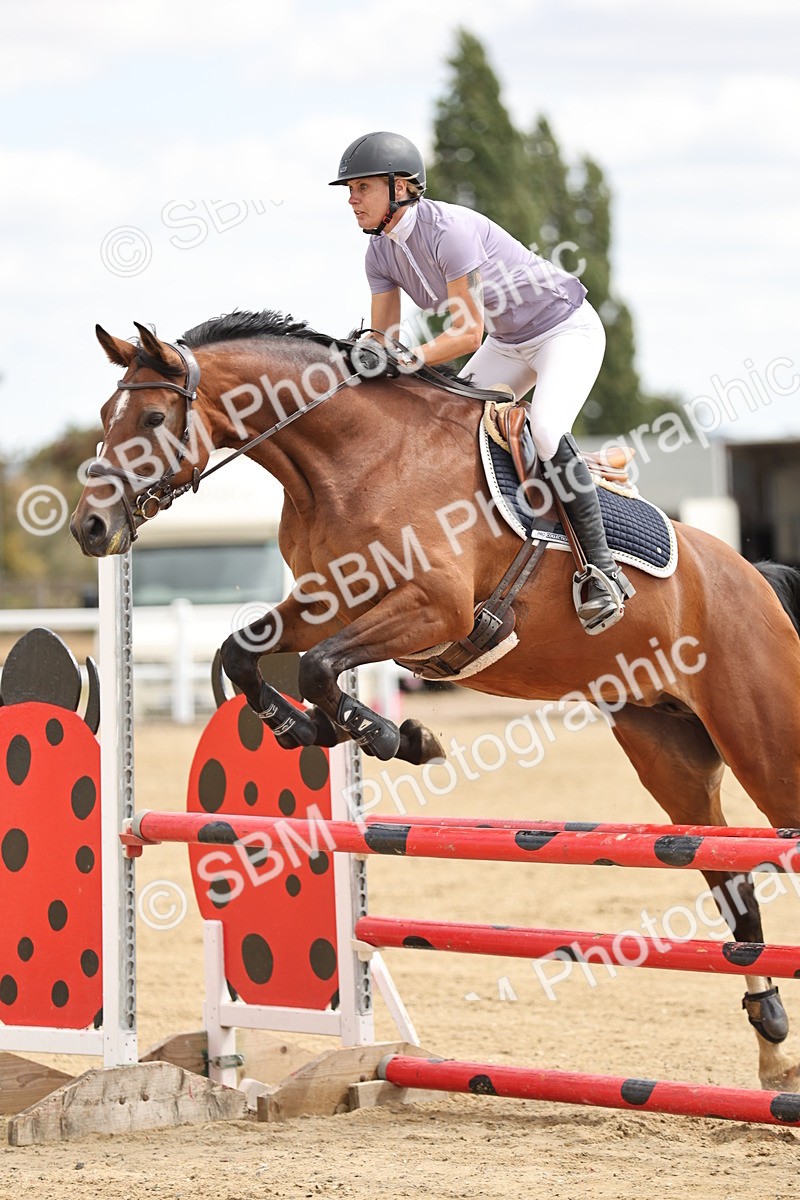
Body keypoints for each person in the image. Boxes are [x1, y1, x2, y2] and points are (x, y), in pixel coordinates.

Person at [329, 130, 634, 634]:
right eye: (349, 190)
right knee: (448, 432)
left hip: (564, 329)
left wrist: (405, 359)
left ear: (400, 187)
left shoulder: (449, 231)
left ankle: (601, 569)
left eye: (361, 187)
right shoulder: (379, 254)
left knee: (546, 432)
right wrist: (364, 362)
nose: (352, 199)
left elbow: (465, 332)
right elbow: (385, 340)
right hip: (509, 342)